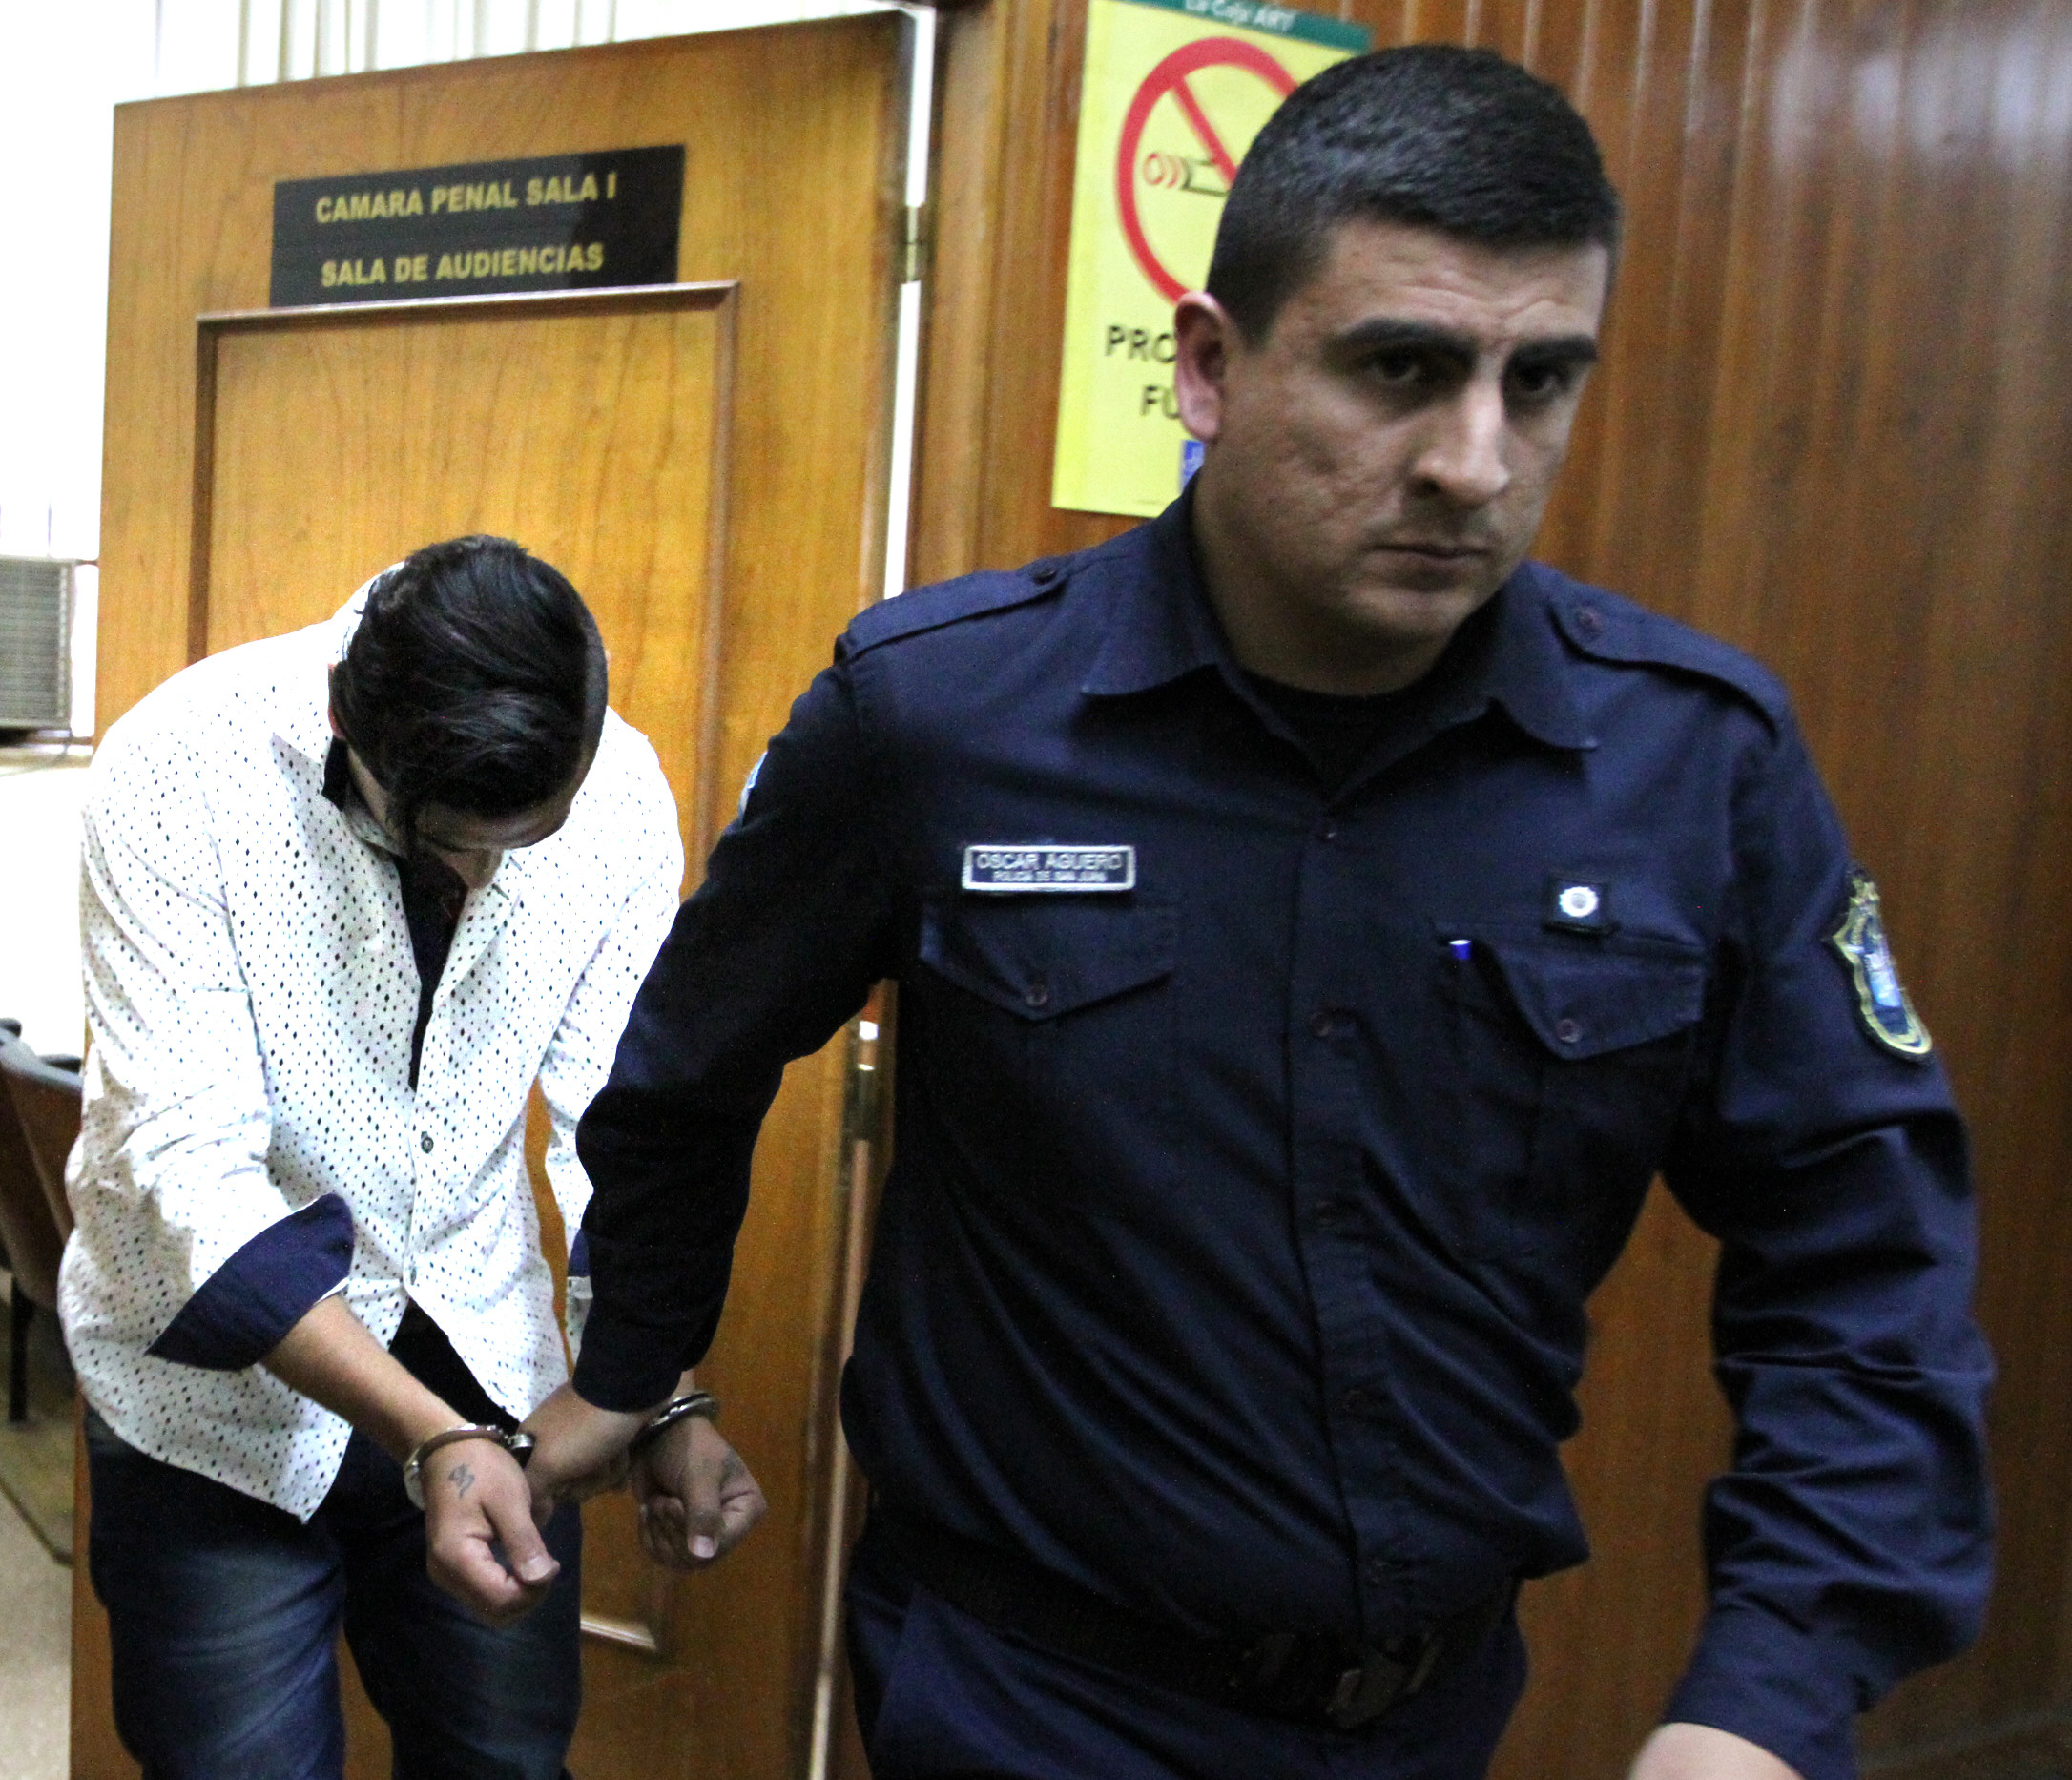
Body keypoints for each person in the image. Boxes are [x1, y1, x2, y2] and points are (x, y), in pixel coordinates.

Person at [527, 45, 1991, 1780]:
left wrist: (1769, 1693)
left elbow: (1865, 1252)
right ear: (1211, 365)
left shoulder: (1692, 761)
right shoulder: (942, 717)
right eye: (1401, 368)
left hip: (1431, 1713)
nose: (1474, 460)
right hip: (1027, 1699)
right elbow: (686, 1069)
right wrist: (638, 1359)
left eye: (1539, 381)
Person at [61, 535, 764, 1780]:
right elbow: (181, 1170)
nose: (483, 876)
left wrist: (656, 1390)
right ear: (350, 725)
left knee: (504, 1763)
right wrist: (431, 1439)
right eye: (452, 844)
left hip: (486, 1367)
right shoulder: (179, 767)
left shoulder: (620, 791)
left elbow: (623, 1130)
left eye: (524, 843)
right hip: (209, 1413)